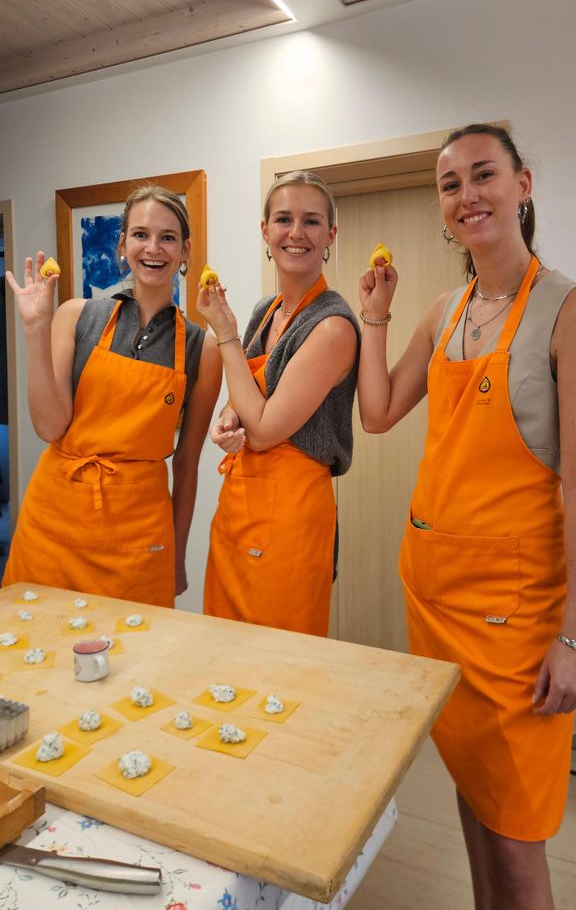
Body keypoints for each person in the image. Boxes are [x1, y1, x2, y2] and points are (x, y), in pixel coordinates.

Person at [357, 123, 576, 910]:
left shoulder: (563, 309)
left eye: (483, 175)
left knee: (517, 840)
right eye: (451, 185)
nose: (467, 195)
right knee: (473, 802)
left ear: (523, 185)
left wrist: (573, 636)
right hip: (437, 602)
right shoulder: (445, 311)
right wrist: (376, 315)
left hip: (517, 619)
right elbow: (377, 413)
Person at [3, 185, 221, 606]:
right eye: (140, 234)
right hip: (54, 524)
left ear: (185, 251)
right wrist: (35, 330)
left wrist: (176, 557)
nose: (152, 248)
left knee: (134, 658)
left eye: (168, 237)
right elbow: (50, 426)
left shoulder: (201, 348)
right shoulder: (77, 315)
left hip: (138, 538)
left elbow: (188, 465)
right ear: (122, 244)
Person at [197, 171, 360, 637]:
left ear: (330, 235)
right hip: (238, 509)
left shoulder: (332, 326)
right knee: (221, 656)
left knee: (277, 672)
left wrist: (224, 334)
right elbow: (248, 394)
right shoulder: (265, 311)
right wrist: (227, 420)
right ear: (264, 230)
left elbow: (266, 429)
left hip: (290, 515)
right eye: (283, 219)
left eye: (311, 221)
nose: (296, 233)